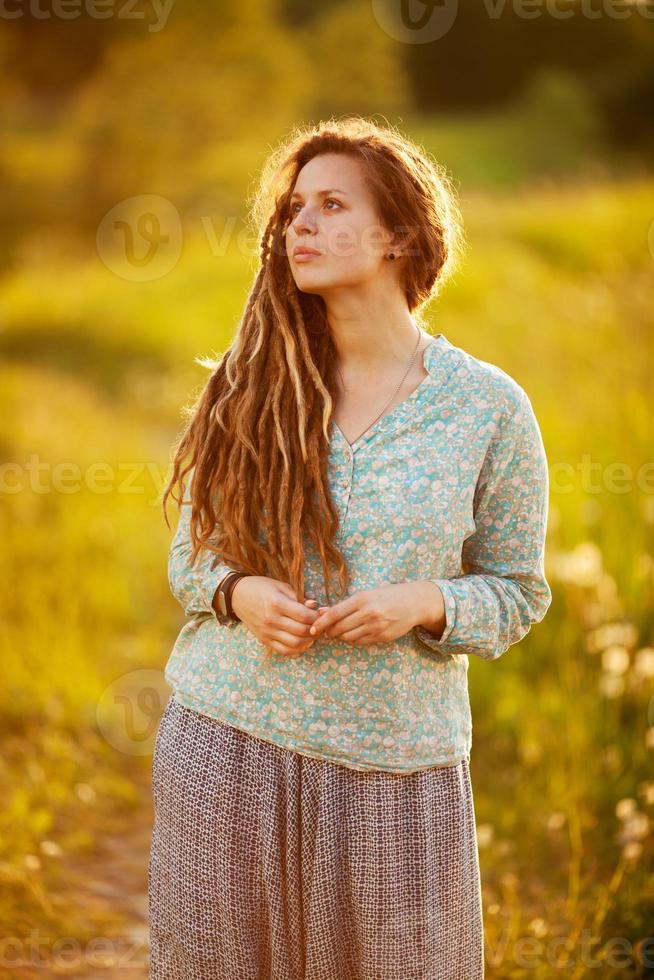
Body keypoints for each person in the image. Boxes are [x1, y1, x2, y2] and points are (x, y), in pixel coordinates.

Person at [147, 117, 552, 979]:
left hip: (396, 772)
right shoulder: (250, 381)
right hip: (227, 743)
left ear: (400, 233)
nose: (300, 226)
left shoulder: (488, 409)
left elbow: (518, 590)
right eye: (294, 209)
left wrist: (428, 603)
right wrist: (241, 594)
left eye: (332, 206)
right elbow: (192, 561)